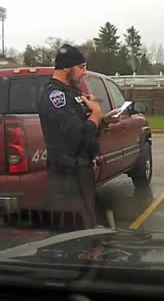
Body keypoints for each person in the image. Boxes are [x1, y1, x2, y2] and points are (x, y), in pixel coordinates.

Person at [38, 44, 120, 230]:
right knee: (73, 232)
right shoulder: (55, 97)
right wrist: (96, 114)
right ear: (67, 67)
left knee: (89, 225)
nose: (85, 73)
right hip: (66, 177)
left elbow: (86, 127)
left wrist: (103, 120)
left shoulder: (73, 93)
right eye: (81, 67)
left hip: (82, 173)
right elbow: (78, 135)